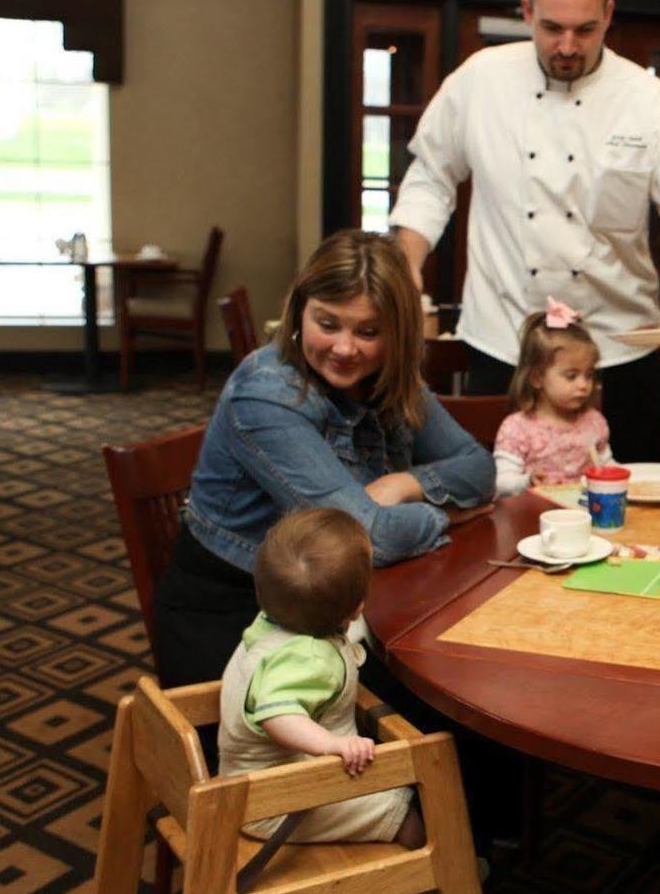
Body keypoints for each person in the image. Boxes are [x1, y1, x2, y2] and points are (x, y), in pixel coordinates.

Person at [389, 0, 660, 464]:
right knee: (495, 507)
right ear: (527, 12)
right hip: (505, 346)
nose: (567, 45)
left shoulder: (647, 102)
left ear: (608, 16)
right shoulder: (479, 80)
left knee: (632, 509)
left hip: (619, 349)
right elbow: (430, 178)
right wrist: (408, 261)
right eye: (552, 27)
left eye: (584, 30)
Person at [153, 230, 495, 688]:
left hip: (342, 608)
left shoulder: (390, 378)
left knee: (466, 674)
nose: (345, 347)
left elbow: (479, 466)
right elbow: (368, 539)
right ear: (300, 311)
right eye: (328, 323)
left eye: (368, 331)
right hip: (242, 621)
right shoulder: (267, 392)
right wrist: (449, 514)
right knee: (447, 700)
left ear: (397, 332)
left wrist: (405, 485)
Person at [218, 508, 426, 850]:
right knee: (400, 808)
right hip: (277, 803)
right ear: (358, 606)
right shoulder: (307, 660)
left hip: (252, 785)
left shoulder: (274, 618)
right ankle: (431, 881)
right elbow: (276, 713)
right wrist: (332, 745)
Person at [492, 298, 614, 496]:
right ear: (537, 377)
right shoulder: (517, 428)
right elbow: (500, 482)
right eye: (571, 376)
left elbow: (606, 466)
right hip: (533, 519)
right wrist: (526, 482)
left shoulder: (594, 422)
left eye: (589, 375)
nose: (584, 385)